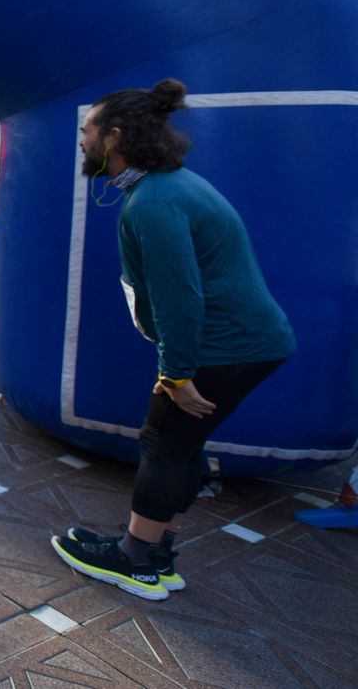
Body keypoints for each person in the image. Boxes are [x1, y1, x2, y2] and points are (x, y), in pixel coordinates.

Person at [52, 79, 295, 600]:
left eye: (87, 130)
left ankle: (135, 559)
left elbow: (179, 299)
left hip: (224, 347)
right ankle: (158, 554)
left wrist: (177, 374)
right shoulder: (168, 186)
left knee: (161, 443)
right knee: (182, 444)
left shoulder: (153, 203)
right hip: (251, 344)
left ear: (114, 137)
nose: (81, 140)